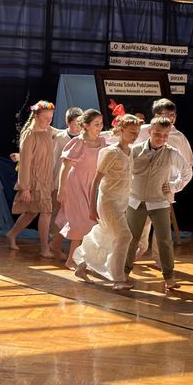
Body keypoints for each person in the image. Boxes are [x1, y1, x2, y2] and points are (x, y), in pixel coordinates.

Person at [123, 117, 193, 291]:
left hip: (160, 203)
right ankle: (123, 273)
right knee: (131, 239)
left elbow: (187, 171)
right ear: (149, 132)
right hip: (136, 202)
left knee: (165, 240)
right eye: (157, 134)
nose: (161, 138)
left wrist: (174, 186)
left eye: (165, 135)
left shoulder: (171, 153)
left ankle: (169, 276)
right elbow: (123, 171)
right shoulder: (135, 150)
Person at [73, 115, 142, 291]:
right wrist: (91, 207)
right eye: (132, 132)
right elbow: (96, 180)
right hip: (108, 202)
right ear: (121, 130)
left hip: (121, 202)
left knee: (107, 237)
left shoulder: (131, 152)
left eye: (137, 132)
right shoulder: (112, 152)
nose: (135, 135)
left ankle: (82, 266)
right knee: (125, 236)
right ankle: (118, 279)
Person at [134, 99, 193, 260]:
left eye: (172, 114)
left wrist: (175, 185)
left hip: (163, 187)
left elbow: (188, 164)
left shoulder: (179, 137)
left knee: (161, 225)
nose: (169, 117)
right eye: (165, 114)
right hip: (141, 185)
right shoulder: (144, 130)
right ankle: (141, 247)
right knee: (142, 222)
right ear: (155, 116)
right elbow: (119, 139)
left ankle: (159, 257)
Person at [55, 109, 107, 269]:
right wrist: (62, 188)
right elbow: (65, 166)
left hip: (92, 186)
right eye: (96, 124)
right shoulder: (78, 142)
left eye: (101, 124)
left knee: (87, 222)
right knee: (82, 222)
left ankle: (57, 247)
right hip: (75, 186)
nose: (100, 127)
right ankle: (71, 260)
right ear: (86, 125)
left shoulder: (102, 141)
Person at [6, 101, 56, 257]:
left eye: (51, 117)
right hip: (34, 179)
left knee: (31, 213)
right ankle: (44, 248)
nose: (48, 121)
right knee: (45, 211)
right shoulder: (29, 134)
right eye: (45, 118)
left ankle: (11, 234)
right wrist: (25, 188)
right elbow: (25, 162)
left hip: (46, 179)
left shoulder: (48, 131)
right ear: (36, 116)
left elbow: (65, 132)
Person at [48, 107, 83, 257]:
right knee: (56, 213)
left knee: (71, 215)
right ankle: (53, 243)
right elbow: (53, 159)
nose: (78, 127)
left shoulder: (84, 139)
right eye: (75, 123)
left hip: (77, 183)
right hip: (58, 182)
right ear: (68, 122)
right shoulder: (60, 138)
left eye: (80, 123)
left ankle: (61, 245)